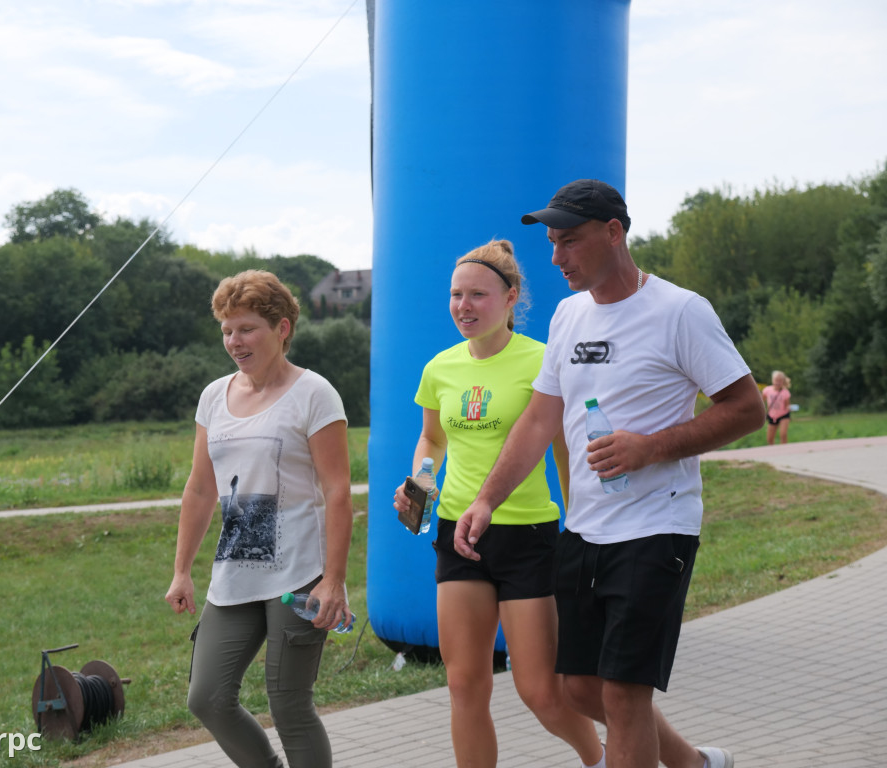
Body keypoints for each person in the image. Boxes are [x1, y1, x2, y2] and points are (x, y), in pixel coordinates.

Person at [454, 180, 766, 768]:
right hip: (586, 527)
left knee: (624, 694)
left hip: (657, 526)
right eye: (551, 242)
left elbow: (745, 408)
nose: (556, 258)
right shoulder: (569, 316)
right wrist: (486, 500)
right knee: (580, 689)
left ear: (614, 233)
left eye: (569, 242)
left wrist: (650, 448)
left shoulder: (680, 311)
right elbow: (539, 419)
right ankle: (696, 764)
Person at [391, 239, 606, 768]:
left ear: (511, 298)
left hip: (529, 535)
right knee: (464, 684)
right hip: (456, 532)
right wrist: (421, 483)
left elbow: (564, 452)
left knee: (540, 690)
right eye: (456, 295)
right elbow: (433, 441)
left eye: (478, 295)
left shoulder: (543, 360)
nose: (464, 306)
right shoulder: (439, 368)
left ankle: (599, 758)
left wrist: (582, 526)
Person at [164, 269, 353, 768]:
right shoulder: (214, 397)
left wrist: (333, 581)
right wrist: (182, 570)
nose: (234, 341)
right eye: (227, 330)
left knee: (290, 705)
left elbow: (337, 492)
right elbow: (201, 488)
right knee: (206, 697)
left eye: (246, 329)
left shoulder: (315, 394)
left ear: (282, 328)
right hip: (234, 573)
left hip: (298, 574)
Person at [762, 371, 792, 445]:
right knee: (769, 438)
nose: (777, 382)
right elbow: (762, 401)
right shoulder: (767, 390)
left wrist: (788, 407)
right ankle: (773, 452)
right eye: (776, 380)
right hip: (772, 416)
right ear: (772, 380)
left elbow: (787, 405)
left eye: (780, 381)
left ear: (783, 382)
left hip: (783, 415)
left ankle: (784, 451)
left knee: (783, 434)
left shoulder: (785, 392)